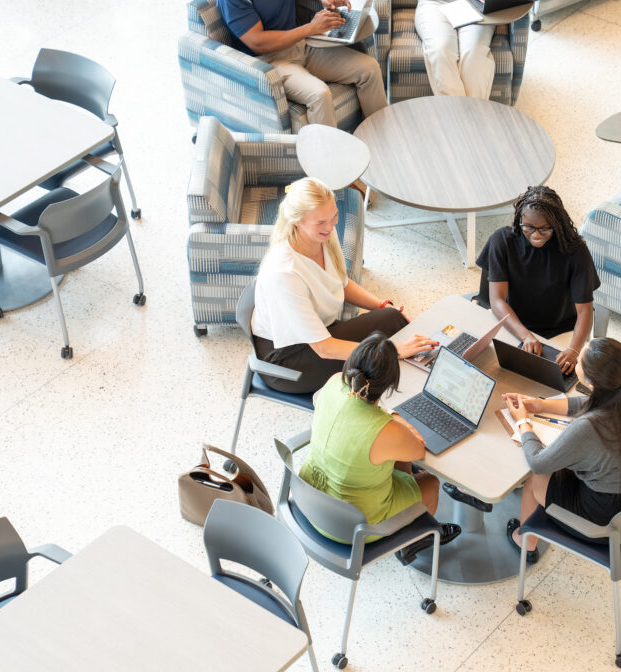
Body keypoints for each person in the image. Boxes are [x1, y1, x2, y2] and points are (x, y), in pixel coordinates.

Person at [251, 178, 435, 393]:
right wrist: (394, 351)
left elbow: (340, 282)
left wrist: (382, 304)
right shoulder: (284, 274)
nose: (330, 226)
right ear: (296, 221)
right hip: (289, 361)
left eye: (334, 216)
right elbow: (325, 348)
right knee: (384, 360)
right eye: (320, 222)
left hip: (320, 331)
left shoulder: (323, 236)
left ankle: (418, 383)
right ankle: (396, 405)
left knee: (392, 317)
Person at [300, 333, 462, 563]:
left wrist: (389, 417)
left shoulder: (334, 381)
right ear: (390, 385)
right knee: (431, 482)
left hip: (312, 499)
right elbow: (417, 450)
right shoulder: (384, 430)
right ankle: (412, 541)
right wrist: (395, 417)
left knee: (395, 458)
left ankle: (405, 509)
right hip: (352, 527)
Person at [503, 338, 621, 564]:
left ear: (590, 381)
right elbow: (594, 402)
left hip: (609, 521)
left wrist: (522, 422)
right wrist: (542, 404)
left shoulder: (588, 428)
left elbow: (537, 462)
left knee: (535, 480)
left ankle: (525, 544)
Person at [475, 186, 601, 376]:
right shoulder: (502, 240)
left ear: (557, 223)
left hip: (559, 331)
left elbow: (584, 310)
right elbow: (497, 300)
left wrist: (574, 350)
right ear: (520, 220)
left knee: (554, 385)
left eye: (545, 229)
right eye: (529, 227)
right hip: (513, 324)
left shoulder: (575, 250)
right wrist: (526, 336)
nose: (536, 235)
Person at [217, 0, 388, 127]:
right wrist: (310, 28)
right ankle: (328, 170)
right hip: (269, 63)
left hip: (301, 44)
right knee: (320, 94)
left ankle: (382, 140)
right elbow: (258, 43)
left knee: (369, 68)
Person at [414, 0, 495, 99]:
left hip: (477, 5)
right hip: (434, 4)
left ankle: (463, 112)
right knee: (440, 49)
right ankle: (468, 112)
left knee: (474, 54)